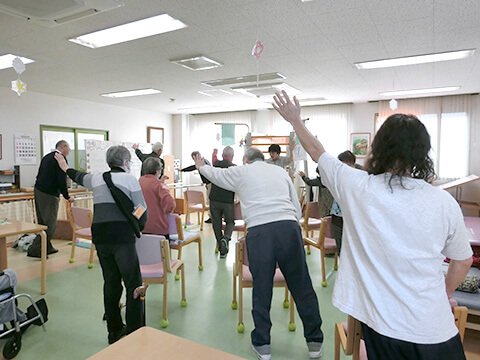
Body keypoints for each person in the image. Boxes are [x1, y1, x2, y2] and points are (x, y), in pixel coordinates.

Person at [273, 90, 473, 360]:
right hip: (435, 330)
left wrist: (296, 121)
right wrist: (444, 293)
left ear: (379, 149)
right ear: (422, 152)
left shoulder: (357, 186)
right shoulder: (443, 202)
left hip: (383, 329)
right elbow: (463, 261)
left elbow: (317, 151)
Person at [194, 148, 324, 360]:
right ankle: (314, 342)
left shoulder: (243, 171)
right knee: (302, 285)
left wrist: (201, 167)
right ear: (263, 159)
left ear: (246, 160)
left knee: (262, 287)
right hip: (288, 227)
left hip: (260, 231)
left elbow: (217, 175)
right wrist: (291, 225)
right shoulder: (280, 172)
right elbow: (296, 206)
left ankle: (263, 345)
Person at [55, 146, 148, 345]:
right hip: (122, 237)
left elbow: (79, 177)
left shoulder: (97, 178)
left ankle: (114, 331)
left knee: (111, 282)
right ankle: (134, 330)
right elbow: (142, 209)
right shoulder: (130, 179)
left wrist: (65, 167)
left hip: (101, 237)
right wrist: (137, 225)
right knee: (133, 283)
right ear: (125, 162)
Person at [28, 140, 75, 258]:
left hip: (39, 191)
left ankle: (47, 247)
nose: (69, 151)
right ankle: (35, 249)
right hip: (48, 194)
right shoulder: (60, 158)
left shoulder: (47, 157)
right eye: (69, 148)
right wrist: (67, 196)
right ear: (63, 147)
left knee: (42, 222)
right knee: (50, 224)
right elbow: (61, 180)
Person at [209, 146, 236, 258]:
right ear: (232, 156)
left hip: (214, 198)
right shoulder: (234, 168)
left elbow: (214, 159)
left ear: (222, 155)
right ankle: (226, 238)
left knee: (216, 223)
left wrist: (214, 152)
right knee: (230, 222)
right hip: (227, 200)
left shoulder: (216, 164)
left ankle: (222, 249)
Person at [139, 157, 175, 238]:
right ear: (157, 171)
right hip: (158, 228)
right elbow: (170, 204)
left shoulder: (139, 182)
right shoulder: (160, 185)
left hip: (142, 227)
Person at [181, 151, 212, 223]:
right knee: (209, 200)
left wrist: (182, 170)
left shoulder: (203, 162)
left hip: (210, 184)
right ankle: (211, 217)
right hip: (208, 183)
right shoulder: (204, 162)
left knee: (210, 201)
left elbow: (192, 168)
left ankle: (211, 218)